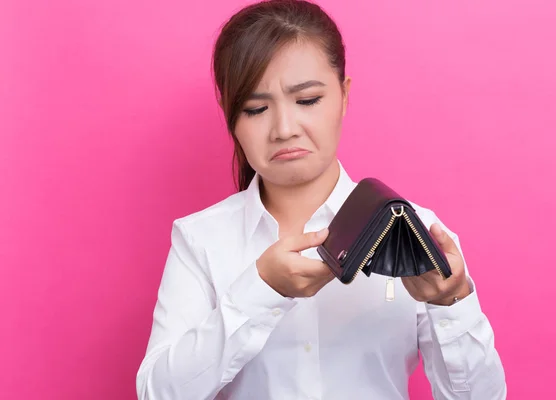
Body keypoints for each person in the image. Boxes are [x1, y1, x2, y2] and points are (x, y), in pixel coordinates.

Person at [136, 1, 507, 399]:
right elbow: (158, 393)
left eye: (308, 100)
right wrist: (260, 292)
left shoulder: (413, 229)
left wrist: (452, 302)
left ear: (344, 96)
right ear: (232, 117)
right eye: (256, 108)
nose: (283, 128)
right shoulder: (201, 239)